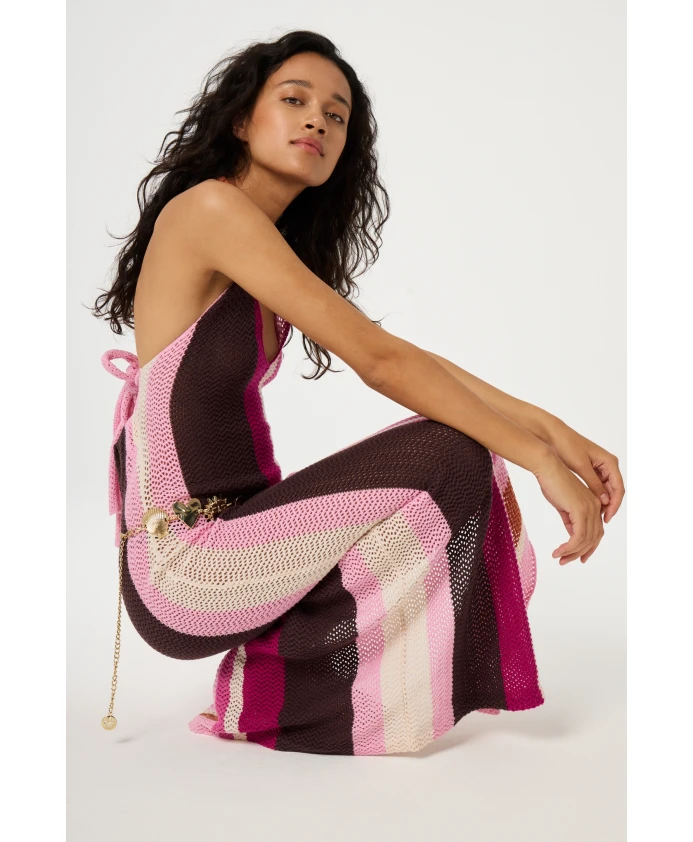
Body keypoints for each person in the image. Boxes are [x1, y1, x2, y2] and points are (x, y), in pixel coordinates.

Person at [91, 30, 624, 756]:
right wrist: (538, 460)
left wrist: (553, 431)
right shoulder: (210, 210)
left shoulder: (268, 247)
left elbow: (410, 361)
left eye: (336, 115)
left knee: (456, 444)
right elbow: (381, 362)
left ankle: (277, 681)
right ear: (241, 120)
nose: (317, 119)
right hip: (185, 566)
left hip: (245, 536)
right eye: (294, 100)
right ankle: (276, 690)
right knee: (449, 449)